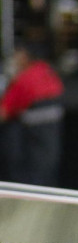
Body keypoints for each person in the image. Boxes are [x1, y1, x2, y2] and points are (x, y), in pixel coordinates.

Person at [0, 41, 64, 186]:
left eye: (18, 55)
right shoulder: (47, 71)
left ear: (26, 57)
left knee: (32, 176)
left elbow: (3, 112)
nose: (15, 59)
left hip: (34, 140)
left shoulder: (26, 78)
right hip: (50, 137)